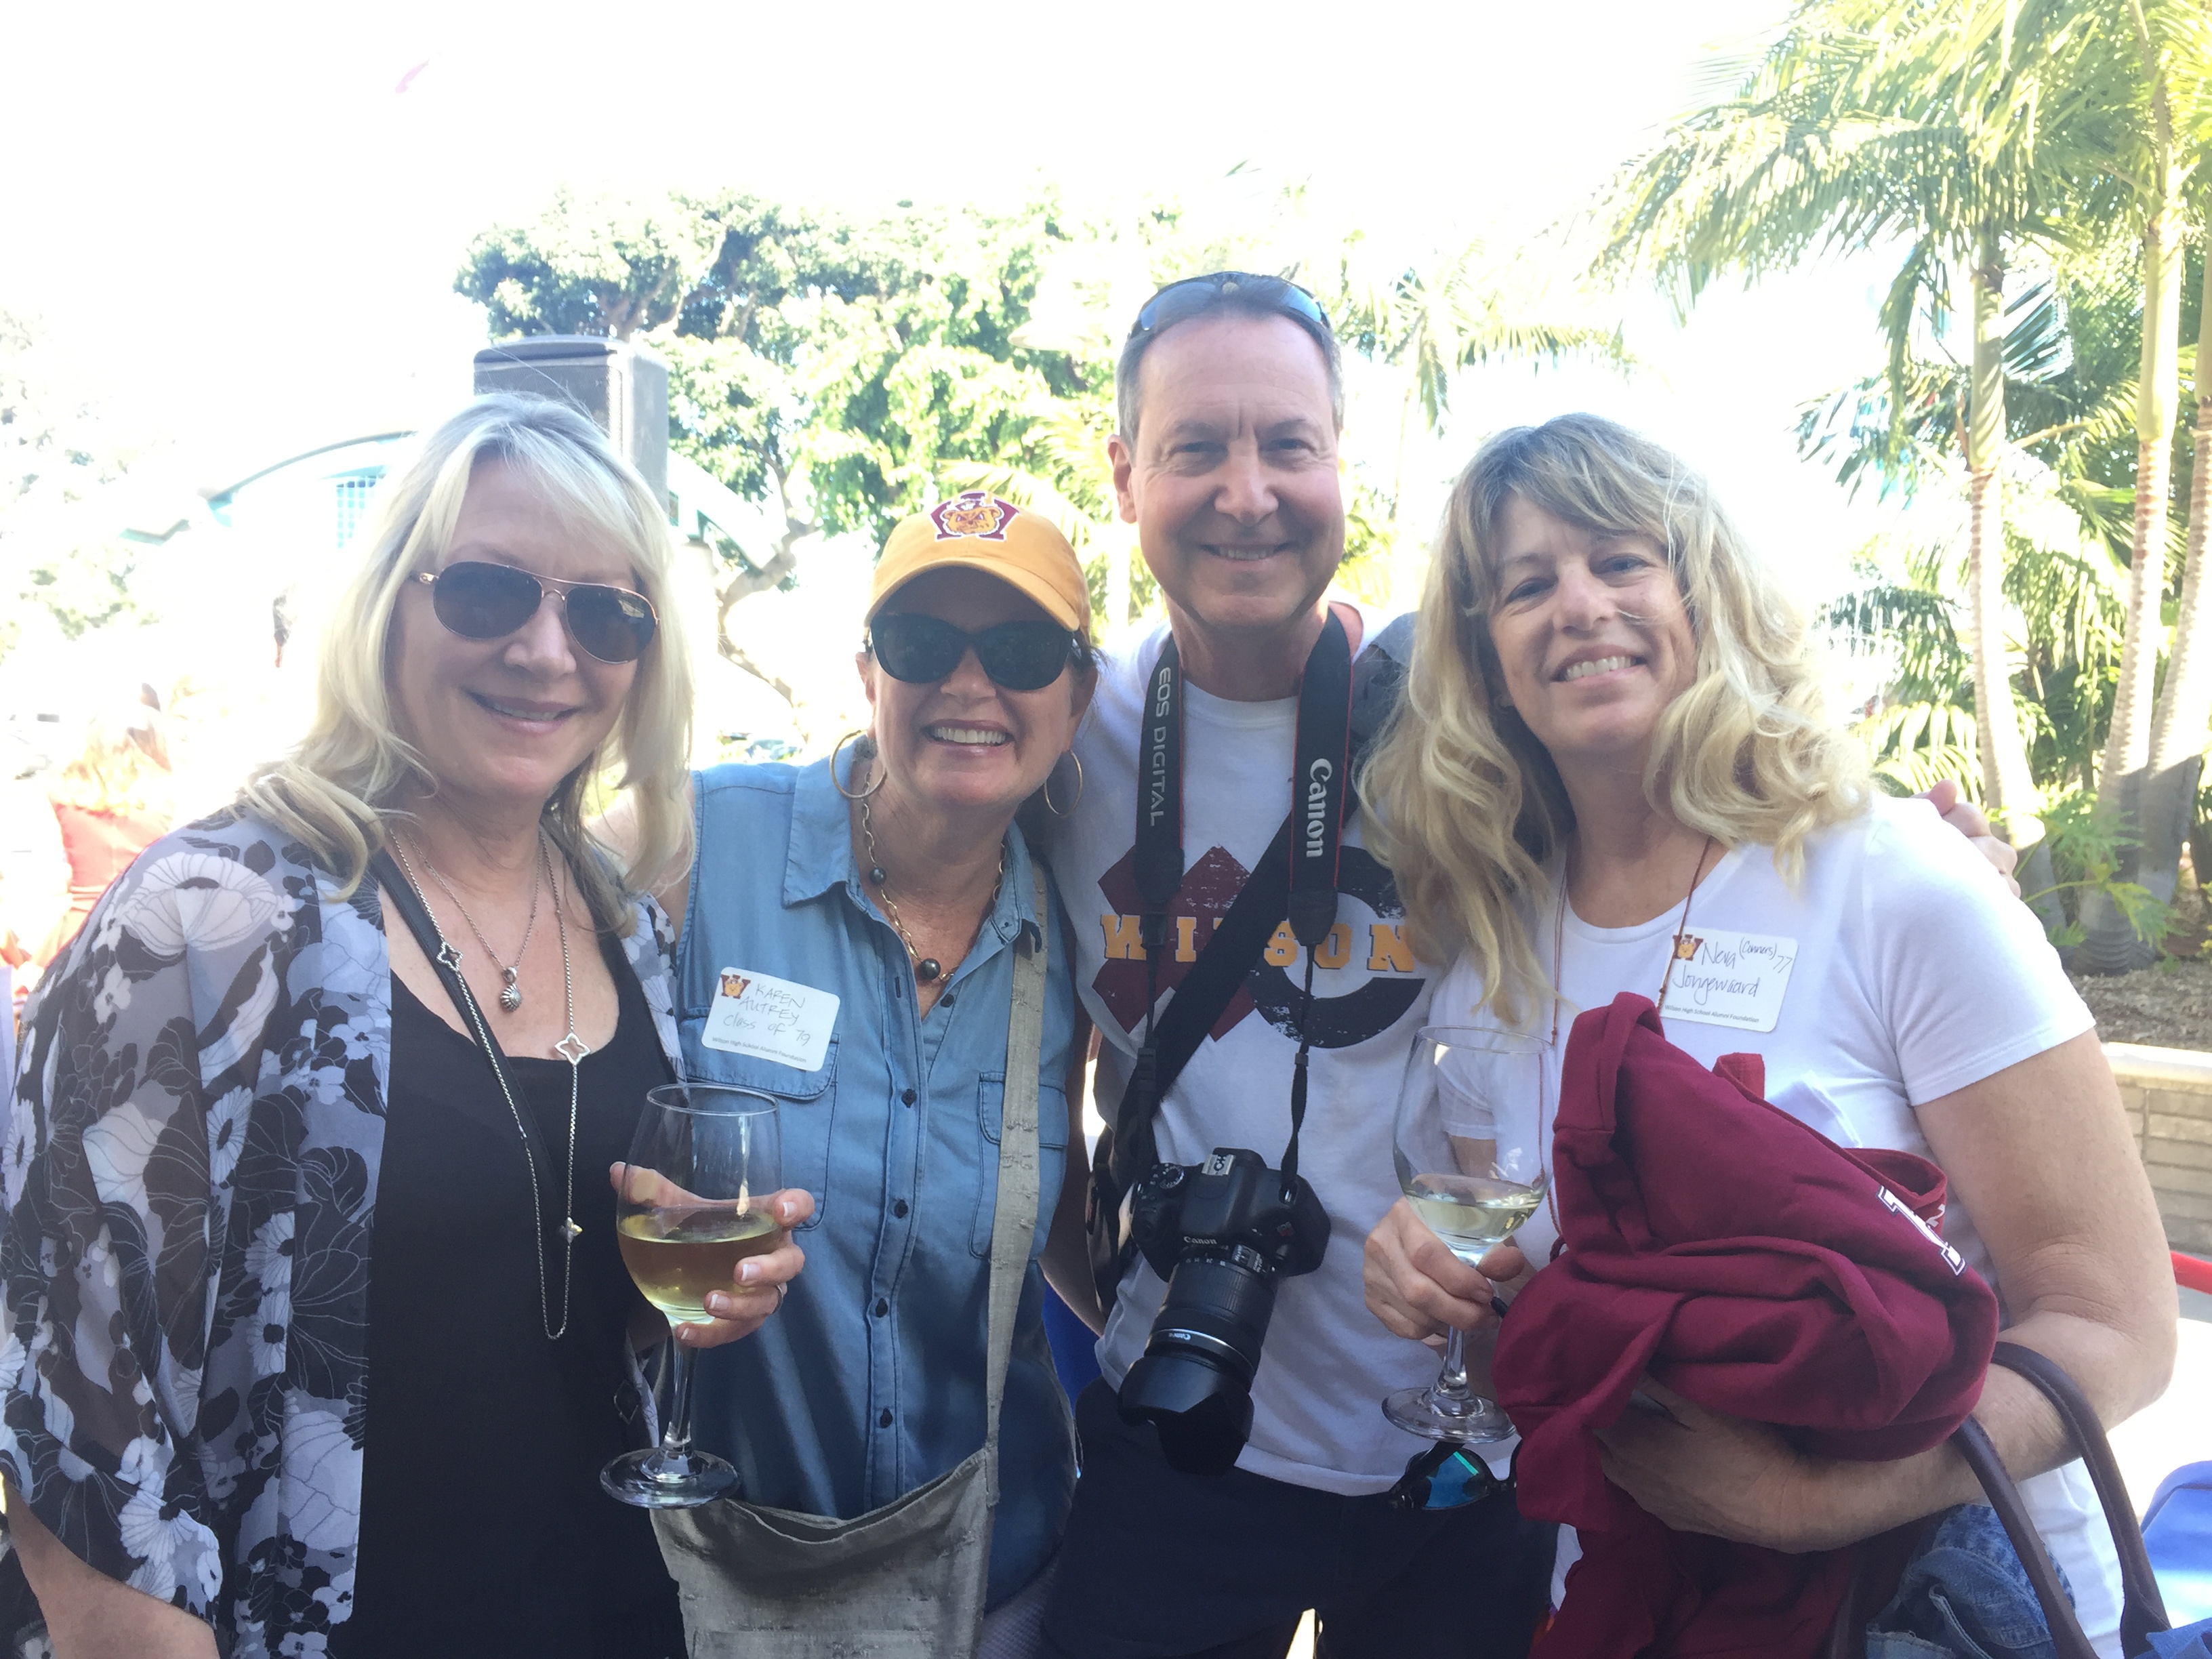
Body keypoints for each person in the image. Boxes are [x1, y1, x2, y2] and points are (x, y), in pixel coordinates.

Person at [1037, 274, 2028, 1659]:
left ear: (1340, 464)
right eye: (1196, 446)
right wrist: (1113, 1292)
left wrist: (1919, 857)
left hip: (1489, 1453)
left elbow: (1701, 790)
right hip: (1184, 1422)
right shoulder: (1061, 731)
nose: (1246, 493)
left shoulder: (1465, 718)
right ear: (1126, 472)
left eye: (1288, 445)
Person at [1357, 413, 2176, 1654]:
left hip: (1934, 1608)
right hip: (1646, 1602)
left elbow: (2118, 1329)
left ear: (1707, 597)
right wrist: (1441, 1285)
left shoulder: (1890, 881)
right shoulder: (1497, 953)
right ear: (1486, 659)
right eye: (1526, 586)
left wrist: (1814, 1504)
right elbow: (1537, 1322)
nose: (1578, 605)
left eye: (1622, 562)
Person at [0, 394, 792, 1658]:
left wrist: (679, 1298)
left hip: (611, 1613)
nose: (548, 650)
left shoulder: (620, 918)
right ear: (384, 610)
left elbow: (525, 1312)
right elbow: (71, 1419)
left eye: (606, 614)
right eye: (487, 591)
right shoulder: (211, 921)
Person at [657, 495, 1101, 1653]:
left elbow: (1058, 1212)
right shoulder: (695, 845)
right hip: (720, 1568)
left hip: (986, 1582)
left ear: (1078, 698)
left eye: (1020, 651)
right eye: (921, 643)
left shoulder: (1072, 935)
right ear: (869, 673)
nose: (970, 684)